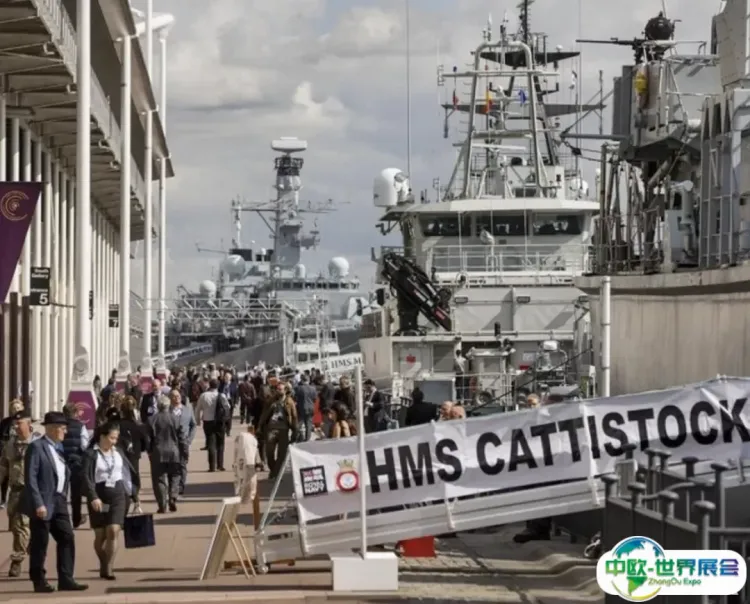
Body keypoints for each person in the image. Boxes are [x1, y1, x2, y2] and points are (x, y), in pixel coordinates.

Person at [23, 411, 88, 593]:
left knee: (67, 537)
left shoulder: (58, 447)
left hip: (59, 500)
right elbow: (31, 478)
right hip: (43, 501)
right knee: (40, 542)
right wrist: (38, 503)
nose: (65, 432)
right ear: (52, 429)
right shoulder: (37, 447)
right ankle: (39, 580)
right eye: (63, 428)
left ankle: (66, 579)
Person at [81, 420, 140, 580]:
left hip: (118, 495)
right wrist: (93, 497)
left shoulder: (118, 452)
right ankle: (103, 561)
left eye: (116, 438)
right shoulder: (90, 454)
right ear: (102, 436)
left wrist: (134, 494)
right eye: (112, 438)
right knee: (101, 535)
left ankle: (109, 567)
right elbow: (86, 477)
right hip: (99, 496)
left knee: (113, 530)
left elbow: (126, 474)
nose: (114, 441)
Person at [0, 409, 40, 577]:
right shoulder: (10, 445)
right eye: (14, 424)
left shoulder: (37, 444)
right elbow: (3, 467)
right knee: (17, 527)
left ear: (29, 424)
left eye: (19, 423)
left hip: (34, 491)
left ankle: (18, 559)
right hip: (16, 491)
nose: (15, 427)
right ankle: (23, 551)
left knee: (27, 526)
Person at [148, 396, 186, 512]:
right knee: (175, 475)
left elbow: (148, 439)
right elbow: (182, 437)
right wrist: (184, 452)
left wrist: (149, 451)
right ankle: (173, 497)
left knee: (159, 479)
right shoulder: (175, 418)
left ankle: (162, 504)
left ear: (158, 406)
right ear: (168, 405)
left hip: (157, 452)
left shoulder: (152, 420)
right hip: (174, 451)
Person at [258, 382, 297, 480]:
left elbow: (294, 416)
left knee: (282, 454)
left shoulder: (289, 402)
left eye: (280, 389)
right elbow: (263, 414)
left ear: (285, 390)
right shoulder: (271, 401)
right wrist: (260, 426)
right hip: (271, 429)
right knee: (269, 453)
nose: (278, 391)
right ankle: (274, 470)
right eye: (277, 389)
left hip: (284, 430)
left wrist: (295, 430)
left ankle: (275, 473)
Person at [61, 403, 90, 529]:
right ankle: (76, 519)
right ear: (75, 413)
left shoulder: (60, 426)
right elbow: (84, 446)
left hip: (62, 462)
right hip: (76, 463)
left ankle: (62, 519)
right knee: (75, 494)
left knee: (61, 492)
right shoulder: (80, 426)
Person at [195, 379, 230, 472]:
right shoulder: (222, 395)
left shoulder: (203, 395)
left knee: (211, 443)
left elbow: (198, 409)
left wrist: (197, 420)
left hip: (207, 421)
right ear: (218, 386)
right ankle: (220, 465)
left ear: (209, 385)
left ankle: (212, 466)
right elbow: (228, 407)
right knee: (220, 443)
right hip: (219, 421)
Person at [169, 389, 196, 495]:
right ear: (170, 398)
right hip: (171, 442)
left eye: (178, 396)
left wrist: (189, 439)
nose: (177, 398)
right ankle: (173, 485)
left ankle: (181, 485)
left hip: (184, 442)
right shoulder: (167, 411)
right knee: (172, 465)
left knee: (182, 464)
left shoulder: (188, 410)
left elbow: (193, 425)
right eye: (174, 396)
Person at [0, 399, 24, 509]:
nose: (16, 410)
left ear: (22, 408)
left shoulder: (25, 421)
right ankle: (3, 499)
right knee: (5, 476)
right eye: (14, 408)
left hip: (20, 452)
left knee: (18, 476)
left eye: (18, 408)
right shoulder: (5, 422)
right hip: (7, 451)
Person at [293, 374, 317, 442]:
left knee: (299, 424)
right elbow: (315, 399)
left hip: (301, 407)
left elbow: (295, 398)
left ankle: (296, 437)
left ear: (302, 380)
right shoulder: (313, 388)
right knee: (308, 425)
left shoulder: (298, 388)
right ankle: (307, 439)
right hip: (310, 407)